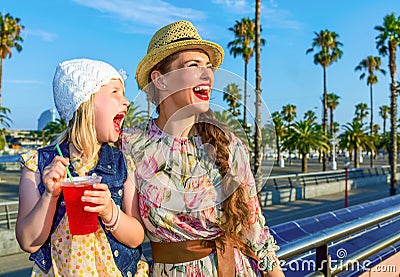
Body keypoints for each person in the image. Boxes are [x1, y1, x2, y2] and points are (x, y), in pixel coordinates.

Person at [122, 20, 284, 276]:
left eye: (209, 67)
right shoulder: (131, 146)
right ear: (161, 80)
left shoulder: (230, 146)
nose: (208, 75)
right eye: (193, 66)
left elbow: (257, 236)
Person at [16, 58, 147, 277]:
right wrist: (50, 195)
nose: (126, 101)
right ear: (84, 103)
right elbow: (28, 242)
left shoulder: (123, 164)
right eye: (115, 91)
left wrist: (109, 211)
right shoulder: (37, 167)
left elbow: (136, 236)